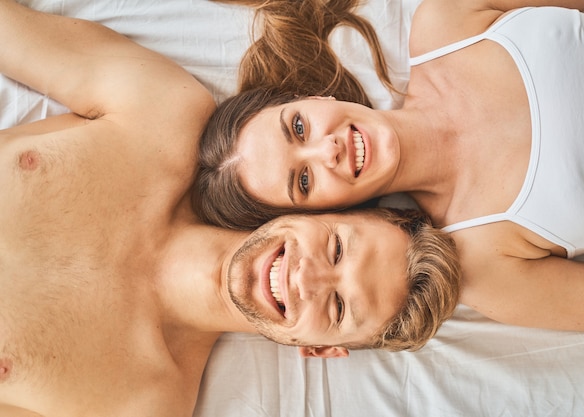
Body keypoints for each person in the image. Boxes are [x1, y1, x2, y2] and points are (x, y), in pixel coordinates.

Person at [0, 1, 461, 415]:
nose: (307, 279)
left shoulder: (142, 402)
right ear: (322, 211)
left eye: (339, 308)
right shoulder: (161, 115)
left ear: (320, 350)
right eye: (337, 249)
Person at [194, 0, 584, 332]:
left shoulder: (448, 20)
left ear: (312, 97)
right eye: (304, 180)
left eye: (300, 127)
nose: (328, 151)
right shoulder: (483, 265)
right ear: (322, 214)